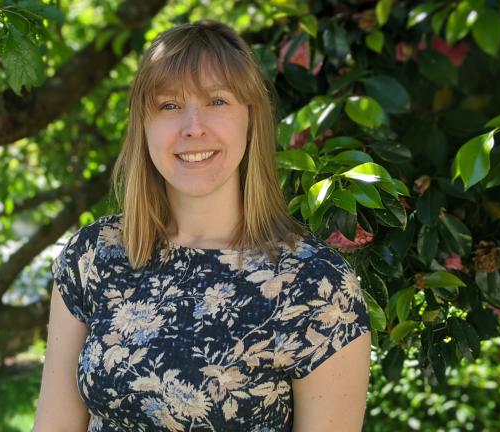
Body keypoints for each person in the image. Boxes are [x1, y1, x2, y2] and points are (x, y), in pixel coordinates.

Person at [33, 20, 372, 432]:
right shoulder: (94, 256)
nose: (193, 127)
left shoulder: (317, 285)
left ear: (251, 120)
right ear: (143, 126)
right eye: (169, 105)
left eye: (217, 101)